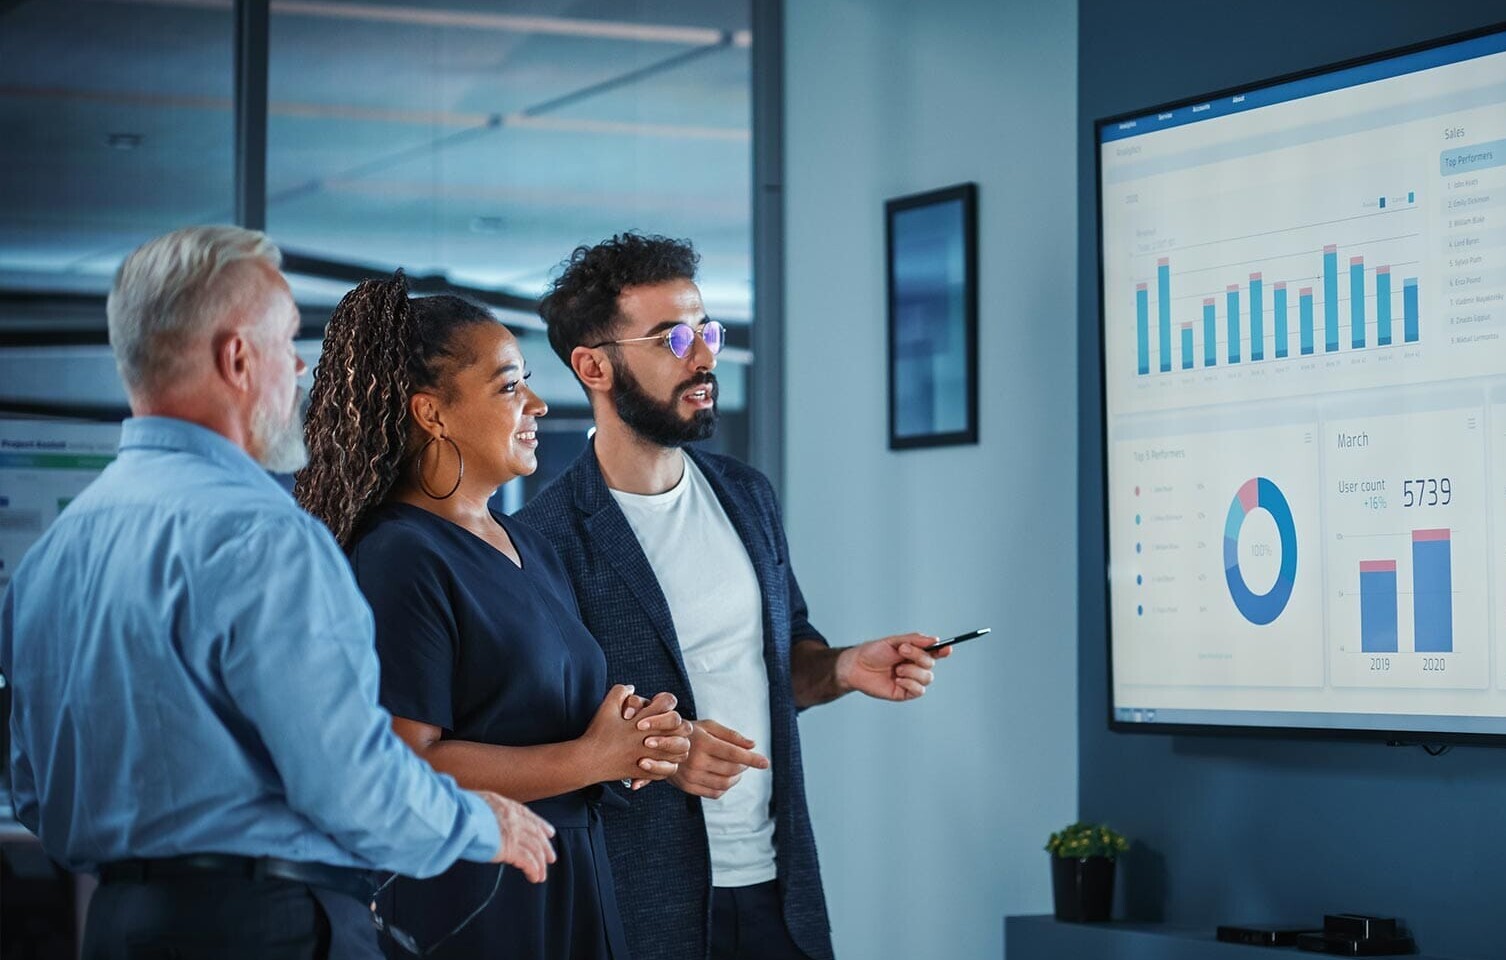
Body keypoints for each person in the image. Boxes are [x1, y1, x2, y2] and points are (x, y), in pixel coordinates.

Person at [0, 226, 558, 960]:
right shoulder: (263, 537)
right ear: (237, 358)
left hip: (115, 925)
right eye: (288, 341)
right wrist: (483, 824)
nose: (299, 368)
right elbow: (351, 782)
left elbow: (33, 791)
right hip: (269, 925)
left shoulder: (54, 556)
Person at [518, 233, 951, 960]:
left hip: (780, 890)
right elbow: (548, 739)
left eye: (707, 330)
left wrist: (843, 668)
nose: (704, 357)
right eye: (673, 338)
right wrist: (663, 756)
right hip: (642, 907)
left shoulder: (747, 495)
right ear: (594, 366)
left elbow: (783, 662)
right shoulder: (544, 539)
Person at [294, 274, 694, 959]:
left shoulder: (530, 545)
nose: (537, 403)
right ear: (432, 414)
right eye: (510, 387)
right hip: (474, 895)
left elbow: (543, 718)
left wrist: (633, 741)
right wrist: (587, 757)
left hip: (570, 876)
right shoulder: (398, 556)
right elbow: (406, 762)